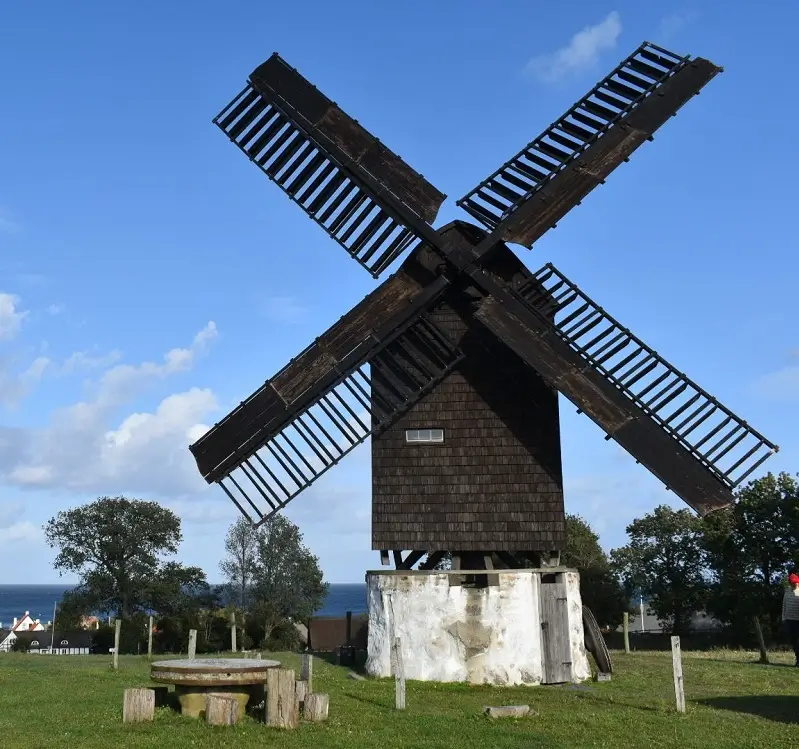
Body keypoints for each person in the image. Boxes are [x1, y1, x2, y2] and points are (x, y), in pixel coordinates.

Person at [782, 570, 799, 666]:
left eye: (796, 583)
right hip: (789, 619)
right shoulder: (787, 591)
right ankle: (798, 658)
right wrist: (783, 617)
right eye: (793, 583)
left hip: (798, 620)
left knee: (798, 640)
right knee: (793, 640)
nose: (794, 585)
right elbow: (784, 605)